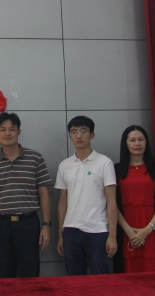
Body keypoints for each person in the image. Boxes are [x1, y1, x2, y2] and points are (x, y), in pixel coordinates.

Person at [0, 112, 51, 278]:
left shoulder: (35, 158)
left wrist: (46, 225)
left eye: (12, 129)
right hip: (0, 224)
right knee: (4, 275)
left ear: (19, 132)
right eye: (3, 129)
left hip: (28, 224)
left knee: (30, 274)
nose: (7, 133)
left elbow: (44, 192)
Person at [55, 115, 117, 275]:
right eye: (74, 131)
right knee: (75, 280)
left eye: (83, 131)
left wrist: (112, 236)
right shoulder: (64, 165)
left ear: (92, 135)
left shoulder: (104, 163)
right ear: (70, 136)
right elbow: (62, 202)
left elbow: (111, 201)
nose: (79, 135)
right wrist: (60, 235)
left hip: (98, 230)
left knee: (101, 279)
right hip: (71, 230)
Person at [113, 125, 155, 273]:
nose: (137, 143)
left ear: (146, 143)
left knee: (152, 271)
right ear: (125, 144)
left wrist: (147, 230)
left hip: (151, 226)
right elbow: (112, 203)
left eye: (141, 139)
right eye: (132, 140)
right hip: (125, 226)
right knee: (128, 273)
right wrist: (129, 231)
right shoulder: (116, 170)